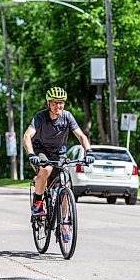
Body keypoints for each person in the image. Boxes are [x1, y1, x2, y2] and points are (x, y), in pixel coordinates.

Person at [23, 86, 95, 217]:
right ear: (48, 103)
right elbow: (27, 136)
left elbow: (81, 136)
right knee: (46, 169)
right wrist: (31, 154)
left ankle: (63, 225)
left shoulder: (67, 117)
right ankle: (38, 203)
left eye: (61, 102)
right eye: (54, 102)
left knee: (64, 183)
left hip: (59, 153)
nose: (58, 106)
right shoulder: (40, 117)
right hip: (40, 150)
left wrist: (89, 151)